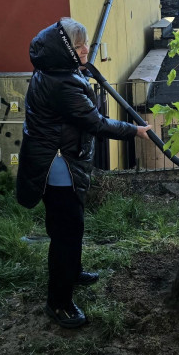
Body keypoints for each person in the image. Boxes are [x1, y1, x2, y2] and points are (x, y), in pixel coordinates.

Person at [16, 18, 151, 328]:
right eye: (79, 46)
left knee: (71, 223)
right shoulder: (62, 85)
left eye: (85, 43)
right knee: (66, 231)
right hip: (58, 166)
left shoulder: (55, 72)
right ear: (64, 51)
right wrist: (135, 130)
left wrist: (81, 69)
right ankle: (58, 303)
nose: (86, 49)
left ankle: (72, 272)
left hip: (61, 160)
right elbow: (97, 123)